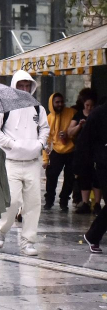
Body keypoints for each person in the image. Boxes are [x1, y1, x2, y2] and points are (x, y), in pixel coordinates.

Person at [0, 70, 49, 256]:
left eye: (27, 86)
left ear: (32, 87)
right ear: (14, 86)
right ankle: (1, 229)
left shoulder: (38, 108)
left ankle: (28, 241)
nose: (24, 89)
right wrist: (11, 144)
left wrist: (39, 144)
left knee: (33, 203)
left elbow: (45, 129)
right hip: (11, 162)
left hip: (32, 162)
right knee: (12, 201)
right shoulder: (2, 106)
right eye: (20, 85)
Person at [76, 100, 107, 253]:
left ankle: (92, 236)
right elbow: (85, 141)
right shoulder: (99, 113)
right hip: (103, 164)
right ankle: (92, 236)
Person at [42, 93, 76, 212]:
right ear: (52, 104)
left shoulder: (71, 113)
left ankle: (64, 201)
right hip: (56, 151)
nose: (60, 104)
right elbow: (46, 139)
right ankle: (49, 201)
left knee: (70, 179)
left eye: (62, 101)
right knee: (51, 177)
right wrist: (45, 159)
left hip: (71, 151)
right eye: (57, 102)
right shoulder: (49, 118)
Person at [69, 90, 100, 214]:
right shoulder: (78, 115)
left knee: (97, 176)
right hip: (82, 150)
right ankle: (85, 202)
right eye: (87, 105)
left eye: (91, 106)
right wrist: (79, 126)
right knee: (84, 176)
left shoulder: (97, 114)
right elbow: (69, 132)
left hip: (96, 149)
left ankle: (97, 203)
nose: (89, 108)